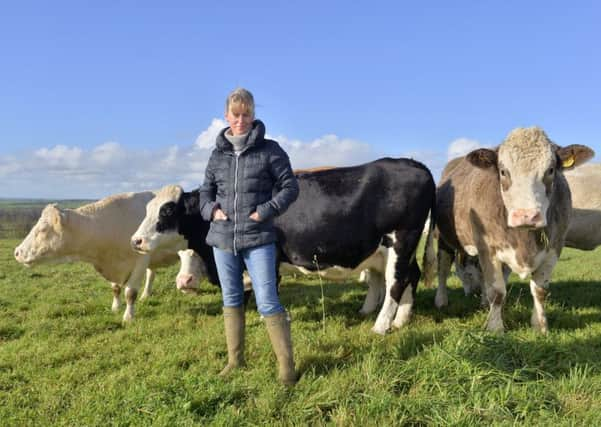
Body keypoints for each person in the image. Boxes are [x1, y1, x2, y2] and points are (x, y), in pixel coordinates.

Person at [198, 88, 300, 385]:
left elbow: (290, 187)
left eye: (246, 115)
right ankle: (235, 360)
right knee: (231, 298)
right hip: (222, 238)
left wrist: (266, 210)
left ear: (253, 116)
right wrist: (211, 210)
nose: (240, 120)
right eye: (235, 114)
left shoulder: (270, 150)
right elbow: (205, 191)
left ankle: (286, 368)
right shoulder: (217, 155)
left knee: (267, 301)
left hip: (259, 238)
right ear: (226, 116)